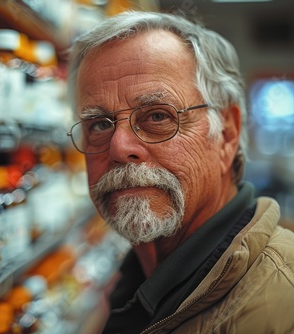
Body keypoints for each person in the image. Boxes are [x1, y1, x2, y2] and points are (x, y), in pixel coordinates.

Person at [66, 10, 294, 334]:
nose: (118, 147)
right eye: (99, 124)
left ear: (227, 134)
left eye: (157, 116)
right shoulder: (136, 280)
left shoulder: (284, 305)